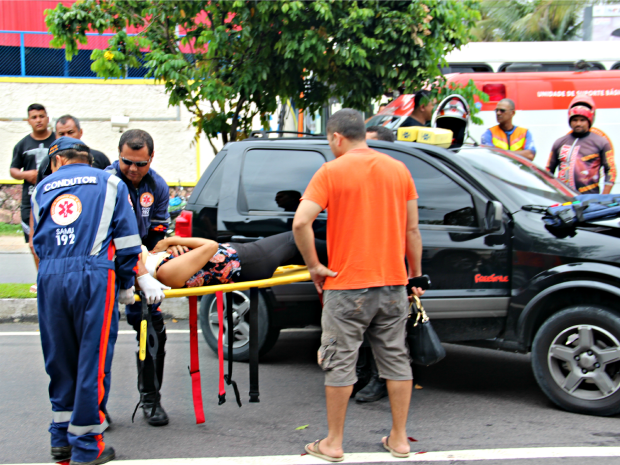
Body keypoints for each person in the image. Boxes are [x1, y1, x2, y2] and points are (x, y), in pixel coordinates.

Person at [293, 109, 424, 461]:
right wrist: (415, 276)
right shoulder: (399, 170)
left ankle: (333, 443)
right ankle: (399, 439)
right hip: (393, 282)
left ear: (337, 137)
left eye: (328, 141)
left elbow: (300, 223)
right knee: (396, 359)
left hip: (347, 285)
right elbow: (412, 230)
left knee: (340, 361)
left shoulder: (331, 171)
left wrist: (315, 266)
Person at [31, 137, 142, 465]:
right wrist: (126, 283)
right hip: (93, 275)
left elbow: (36, 240)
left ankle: (60, 438)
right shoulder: (110, 182)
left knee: (59, 358)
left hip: (50, 275)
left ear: (58, 161)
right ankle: (86, 446)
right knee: (90, 362)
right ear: (88, 159)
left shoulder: (42, 187)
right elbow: (127, 241)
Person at [105, 129, 172, 426]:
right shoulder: (104, 182)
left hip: (142, 265)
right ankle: (94, 407)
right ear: (118, 155)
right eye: (127, 162)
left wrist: (144, 268)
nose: (133, 169)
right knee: (98, 339)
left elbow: (157, 234)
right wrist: (127, 273)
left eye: (140, 164)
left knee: (153, 331)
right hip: (106, 266)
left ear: (151, 158)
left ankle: (150, 399)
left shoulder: (157, 186)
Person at [140, 231, 326, 289]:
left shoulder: (160, 263)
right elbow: (210, 246)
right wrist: (172, 240)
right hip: (248, 261)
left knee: (301, 250)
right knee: (294, 239)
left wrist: (173, 247)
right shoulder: (164, 272)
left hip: (244, 256)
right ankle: (346, 253)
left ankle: (341, 258)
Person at [10, 103, 56, 259]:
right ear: (28, 120)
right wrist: (26, 175)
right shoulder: (22, 145)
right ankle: (40, 280)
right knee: (34, 242)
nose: (38, 120)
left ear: (47, 118)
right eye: (34, 117)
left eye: (41, 116)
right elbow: (13, 170)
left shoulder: (57, 140)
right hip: (30, 199)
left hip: (54, 196)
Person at [547, 95, 615, 194]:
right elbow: (549, 170)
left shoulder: (601, 142)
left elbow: (610, 170)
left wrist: (604, 196)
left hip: (591, 199)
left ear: (589, 121)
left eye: (582, 120)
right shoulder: (559, 142)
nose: (578, 123)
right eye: (575, 120)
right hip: (564, 199)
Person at [36, 115, 111, 183]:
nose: (66, 137)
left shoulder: (99, 157)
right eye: (61, 134)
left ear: (80, 132)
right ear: (56, 136)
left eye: (70, 132)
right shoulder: (49, 160)